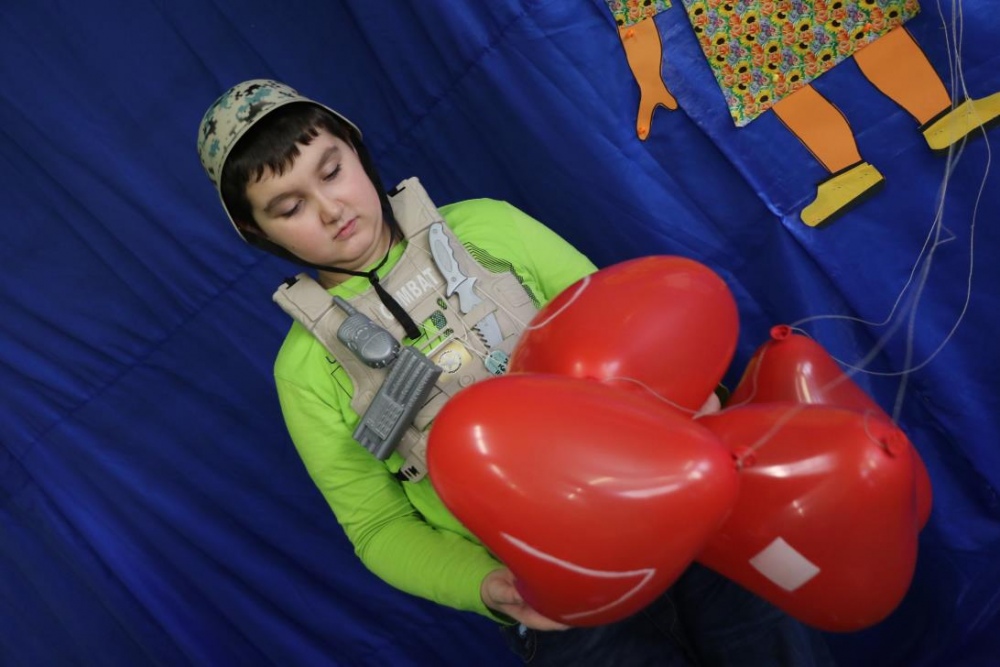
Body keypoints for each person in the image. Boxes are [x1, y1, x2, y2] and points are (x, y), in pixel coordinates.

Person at [197, 79, 835, 665]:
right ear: (258, 231)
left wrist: (698, 408)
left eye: (333, 171)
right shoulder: (305, 370)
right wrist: (485, 585)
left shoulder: (489, 228)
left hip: (683, 513)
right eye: (290, 206)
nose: (331, 209)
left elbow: (634, 338)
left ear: (357, 152)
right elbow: (377, 527)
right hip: (558, 600)